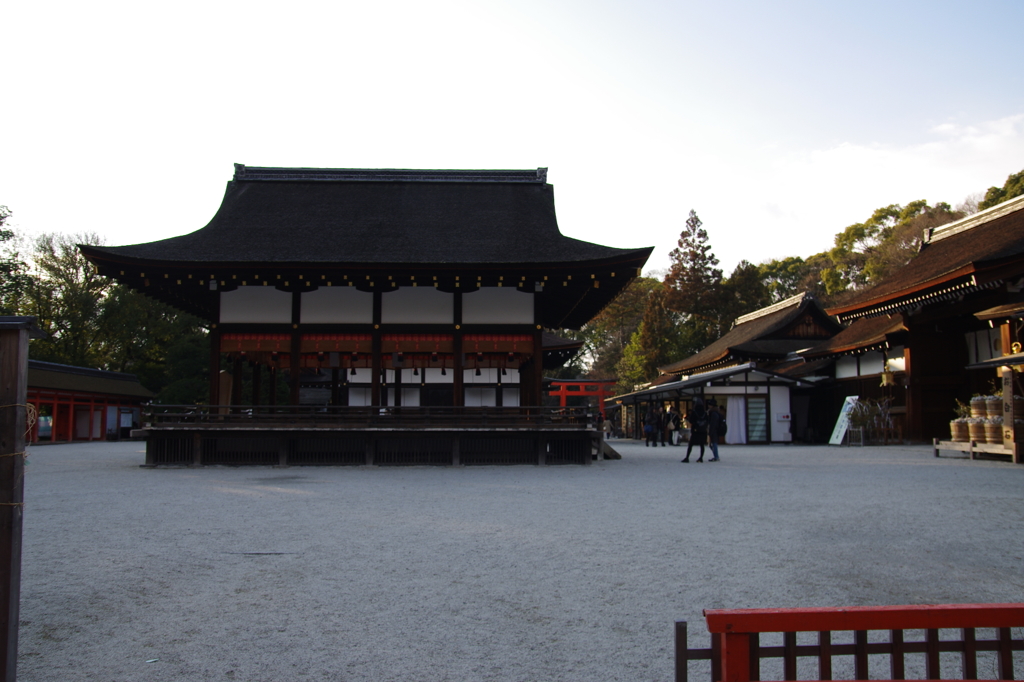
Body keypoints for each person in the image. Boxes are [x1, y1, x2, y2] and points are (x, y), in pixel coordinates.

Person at [682, 398, 708, 462]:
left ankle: (687, 457)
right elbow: (707, 421)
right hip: (703, 430)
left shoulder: (694, 412)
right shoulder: (705, 413)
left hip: (695, 430)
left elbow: (691, 420)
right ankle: (701, 457)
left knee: (691, 444)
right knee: (702, 445)